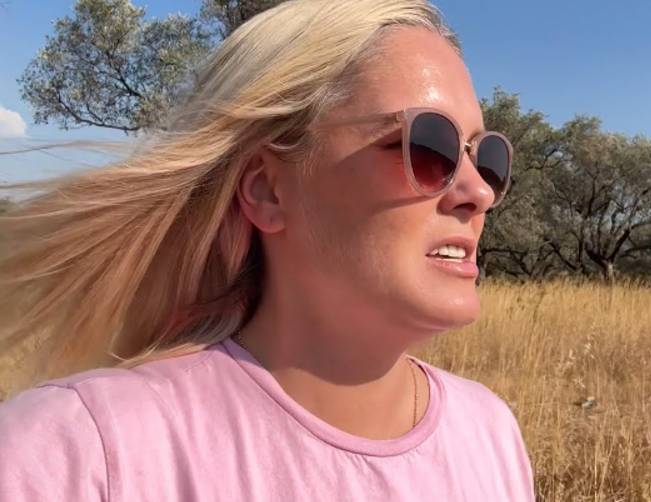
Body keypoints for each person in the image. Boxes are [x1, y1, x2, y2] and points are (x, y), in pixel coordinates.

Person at [0, 0, 535, 500]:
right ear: (266, 190)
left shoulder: (489, 433)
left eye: (484, 157)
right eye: (429, 146)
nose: (479, 192)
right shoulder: (78, 454)